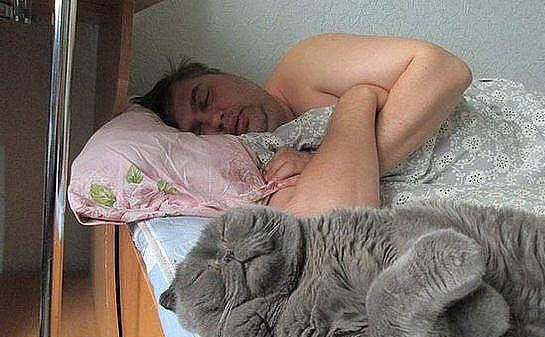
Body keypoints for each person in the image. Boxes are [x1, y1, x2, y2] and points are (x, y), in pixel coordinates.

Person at [133, 33, 473, 215]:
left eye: (206, 98)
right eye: (199, 130)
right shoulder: (265, 163)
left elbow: (443, 70)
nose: (215, 120)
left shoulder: (301, 68)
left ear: (223, 73)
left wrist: (332, 164)